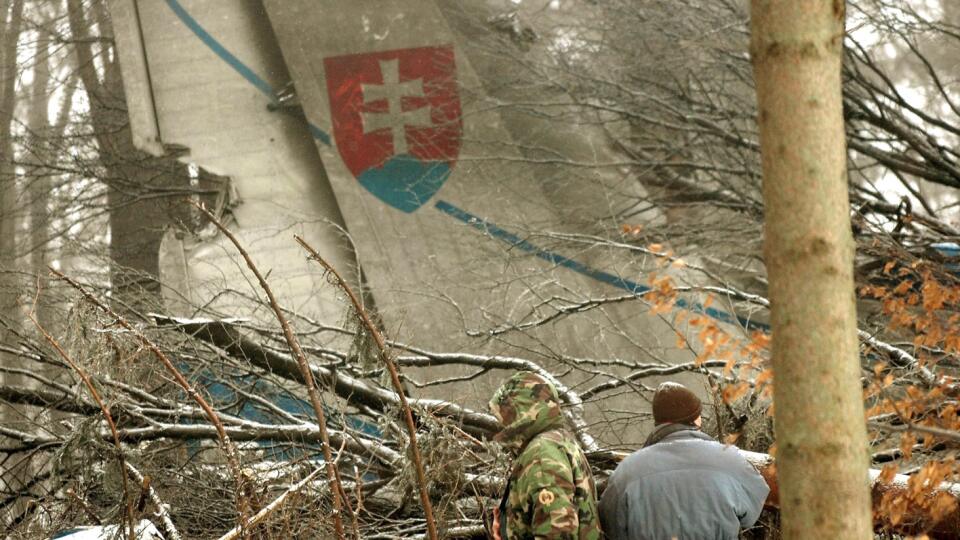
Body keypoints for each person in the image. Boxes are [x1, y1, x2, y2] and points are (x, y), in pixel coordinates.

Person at [599, 382, 769, 540]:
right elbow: (752, 513)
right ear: (695, 419)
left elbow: (611, 527)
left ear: (659, 422)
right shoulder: (732, 460)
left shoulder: (627, 471)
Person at [489, 371, 602, 540]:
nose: (502, 423)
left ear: (522, 412)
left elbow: (557, 531)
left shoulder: (541, 454)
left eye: (505, 414)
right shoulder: (559, 442)